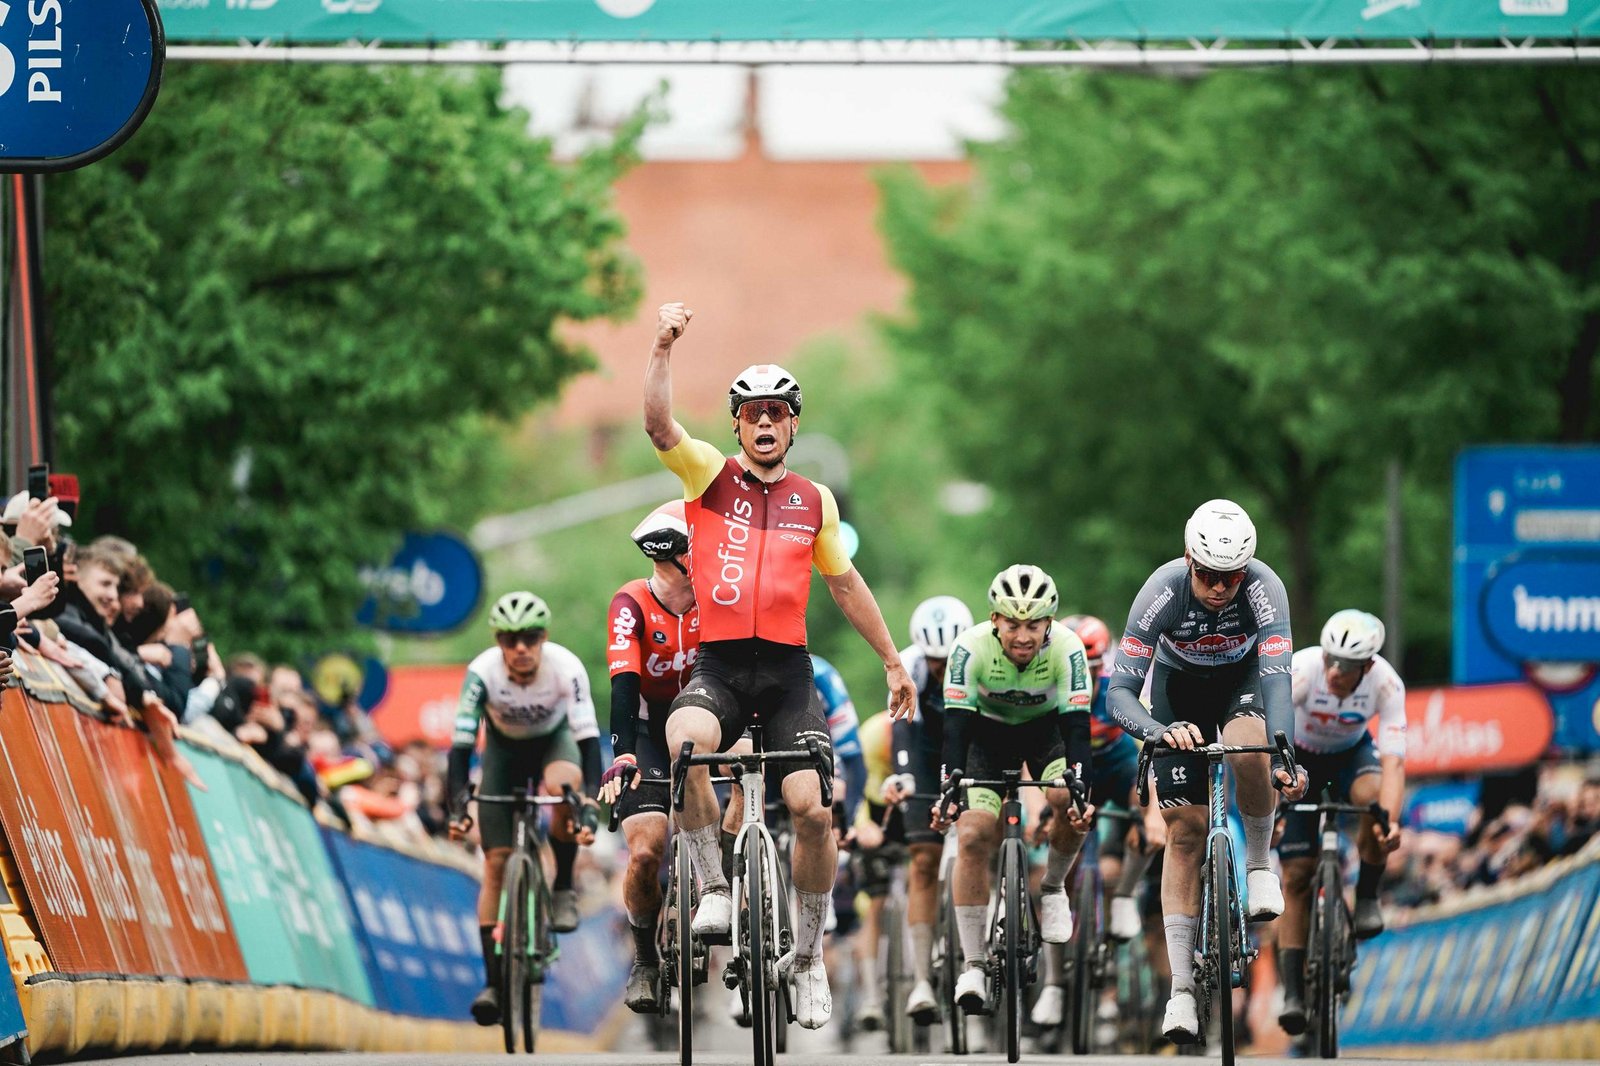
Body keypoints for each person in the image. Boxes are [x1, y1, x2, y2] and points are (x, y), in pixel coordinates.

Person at [644, 301, 915, 1030]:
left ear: (793, 425)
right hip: (722, 668)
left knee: (812, 810)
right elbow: (659, 426)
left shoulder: (814, 501)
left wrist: (892, 661)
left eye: (777, 413)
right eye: (752, 413)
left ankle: (808, 957)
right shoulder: (708, 477)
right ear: (737, 426)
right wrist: (663, 345)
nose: (764, 422)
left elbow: (846, 585)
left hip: (789, 675)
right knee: (686, 742)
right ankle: (713, 888)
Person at [1105, 499, 1308, 1045]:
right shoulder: (1161, 591)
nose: (1219, 588)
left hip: (1242, 682)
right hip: (1178, 693)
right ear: (1188, 560)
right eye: (1208, 576)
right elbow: (1119, 692)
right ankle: (1181, 991)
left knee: (1247, 749)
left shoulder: (1266, 588)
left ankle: (1259, 866)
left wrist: (1281, 754)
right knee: (1185, 834)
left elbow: (1278, 682)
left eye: (1231, 577)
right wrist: (1157, 730)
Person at [931, 564, 1095, 1013]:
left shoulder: (1068, 648)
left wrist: (1082, 789)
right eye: (1013, 625)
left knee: (1067, 798)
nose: (1023, 636)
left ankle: (1053, 887)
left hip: (1047, 733)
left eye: (1033, 625)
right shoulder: (968, 648)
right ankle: (974, 964)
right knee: (972, 835)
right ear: (995, 620)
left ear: (1049, 623)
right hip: (986, 737)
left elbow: (1078, 730)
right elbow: (955, 729)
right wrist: (948, 789)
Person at [447, 591, 601, 1027]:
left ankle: (563, 885)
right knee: (495, 865)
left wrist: (589, 802)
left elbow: (588, 741)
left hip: (554, 743)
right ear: (498, 641)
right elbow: (460, 748)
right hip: (503, 753)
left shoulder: (566, 667)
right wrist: (457, 807)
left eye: (530, 638)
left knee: (563, 787)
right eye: (509, 639)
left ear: (543, 637)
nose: (520, 648)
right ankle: (494, 983)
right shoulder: (481, 673)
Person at [1031, 612, 1166, 1028]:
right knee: (1058, 879)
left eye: (1091, 669)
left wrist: (1152, 814)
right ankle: (1054, 982)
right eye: (1077, 667)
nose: (1084, 677)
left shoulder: (1117, 687)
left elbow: (1149, 753)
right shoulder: (1045, 684)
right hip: (1069, 765)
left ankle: (1123, 894)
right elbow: (1028, 748)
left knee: (1148, 817)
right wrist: (1039, 806)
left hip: (1117, 764)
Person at [1277, 609, 1405, 1035]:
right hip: (1298, 759)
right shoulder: (1303, 670)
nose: (1334, 671)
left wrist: (1390, 823)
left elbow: (1394, 762)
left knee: (1374, 802)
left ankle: (1367, 894)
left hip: (1351, 756)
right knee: (1297, 876)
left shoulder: (1386, 683)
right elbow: (1269, 741)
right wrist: (1273, 805)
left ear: (1367, 667)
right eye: (1331, 659)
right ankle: (1293, 990)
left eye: (1347, 665)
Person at [596, 501, 700, 1014]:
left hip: (706, 717)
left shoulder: (718, 595)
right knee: (644, 853)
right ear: (676, 558)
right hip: (646, 726)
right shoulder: (630, 603)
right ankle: (645, 957)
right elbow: (623, 684)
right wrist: (623, 755)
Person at [870, 594, 971, 1023]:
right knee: (924, 860)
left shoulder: (979, 658)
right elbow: (902, 734)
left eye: (948, 661)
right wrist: (905, 776)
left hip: (971, 753)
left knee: (977, 844)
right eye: (934, 661)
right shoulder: (910, 665)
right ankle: (922, 981)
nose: (941, 669)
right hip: (925, 758)